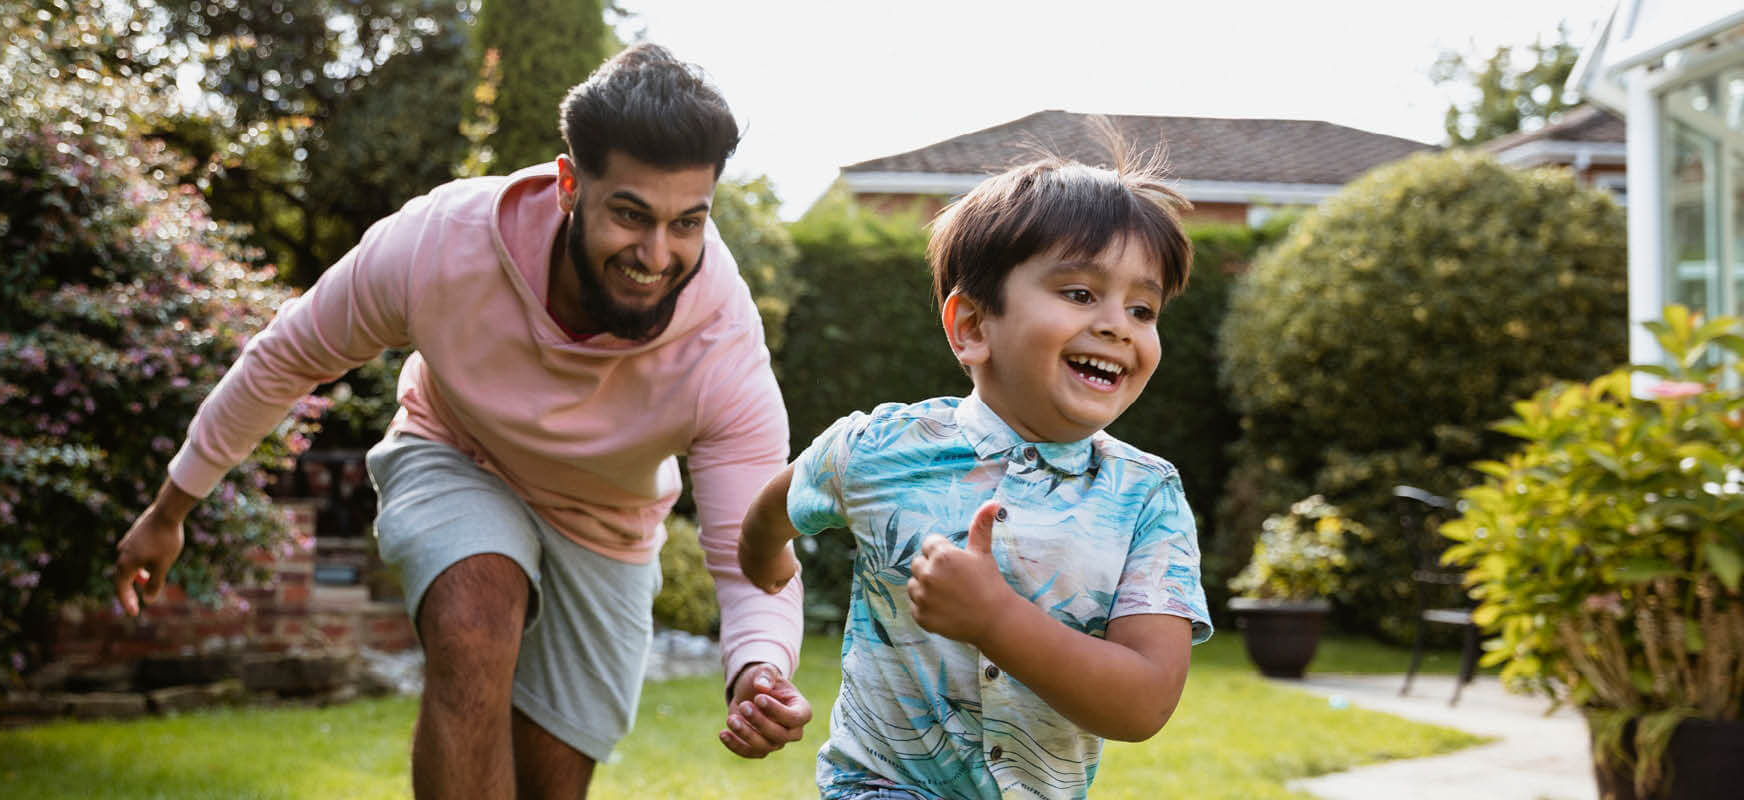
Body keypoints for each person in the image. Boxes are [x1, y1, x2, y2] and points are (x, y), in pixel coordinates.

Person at [113, 44, 811, 799]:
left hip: (609, 522)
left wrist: (761, 668)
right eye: (631, 215)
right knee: (473, 623)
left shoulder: (723, 346)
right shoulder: (440, 244)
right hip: (456, 452)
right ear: (570, 185)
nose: (656, 254)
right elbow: (286, 356)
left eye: (687, 223)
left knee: (551, 783)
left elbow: (755, 541)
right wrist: (171, 506)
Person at [739, 156, 1214, 799]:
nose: (1116, 326)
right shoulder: (879, 448)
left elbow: (1144, 702)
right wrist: (767, 560)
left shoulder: (1145, 497)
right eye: (1080, 294)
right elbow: (776, 505)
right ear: (973, 327)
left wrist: (996, 619)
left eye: (1143, 309)